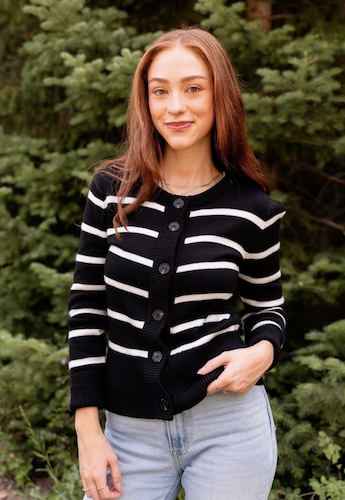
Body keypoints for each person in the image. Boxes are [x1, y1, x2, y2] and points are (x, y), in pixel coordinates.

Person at [68, 26, 287, 500]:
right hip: (128, 434)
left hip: (229, 426)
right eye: (160, 91)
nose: (175, 107)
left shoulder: (252, 207)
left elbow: (268, 308)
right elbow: (87, 307)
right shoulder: (111, 190)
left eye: (193, 89)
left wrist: (262, 352)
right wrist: (89, 430)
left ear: (219, 95)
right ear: (145, 101)